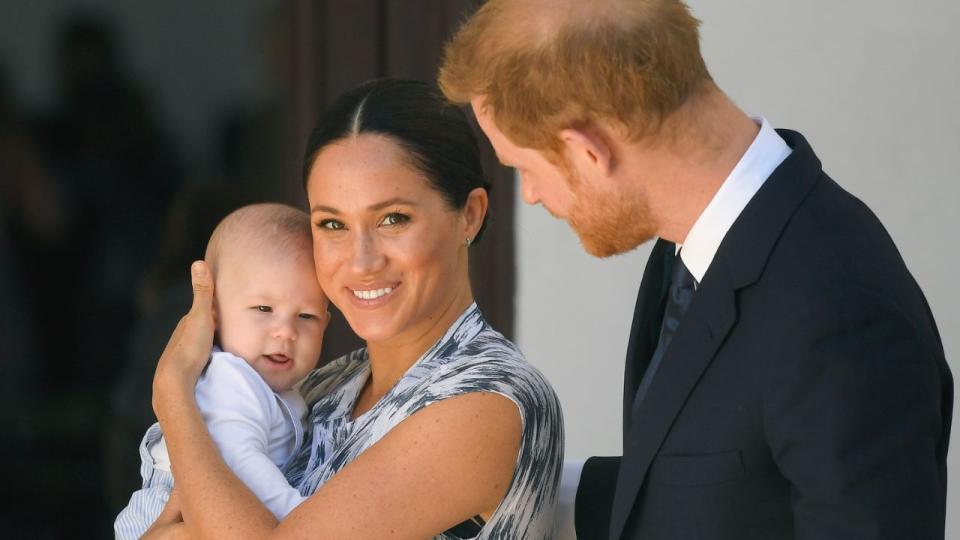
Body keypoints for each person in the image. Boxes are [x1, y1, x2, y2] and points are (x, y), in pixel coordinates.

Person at [439, 1, 952, 539]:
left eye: (524, 168)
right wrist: (501, 483)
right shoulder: (698, 242)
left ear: (588, 151)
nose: (534, 195)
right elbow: (719, 487)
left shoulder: (839, 311)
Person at [144, 78, 563, 539]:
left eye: (393, 219)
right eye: (332, 224)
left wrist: (174, 396)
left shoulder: (488, 399)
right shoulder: (325, 386)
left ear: (470, 214)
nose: (361, 261)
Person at [115, 203, 330, 538]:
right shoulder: (230, 380)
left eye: (306, 316)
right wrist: (299, 517)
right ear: (213, 312)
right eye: (263, 308)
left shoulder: (277, 388)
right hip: (169, 514)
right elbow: (241, 463)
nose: (286, 332)